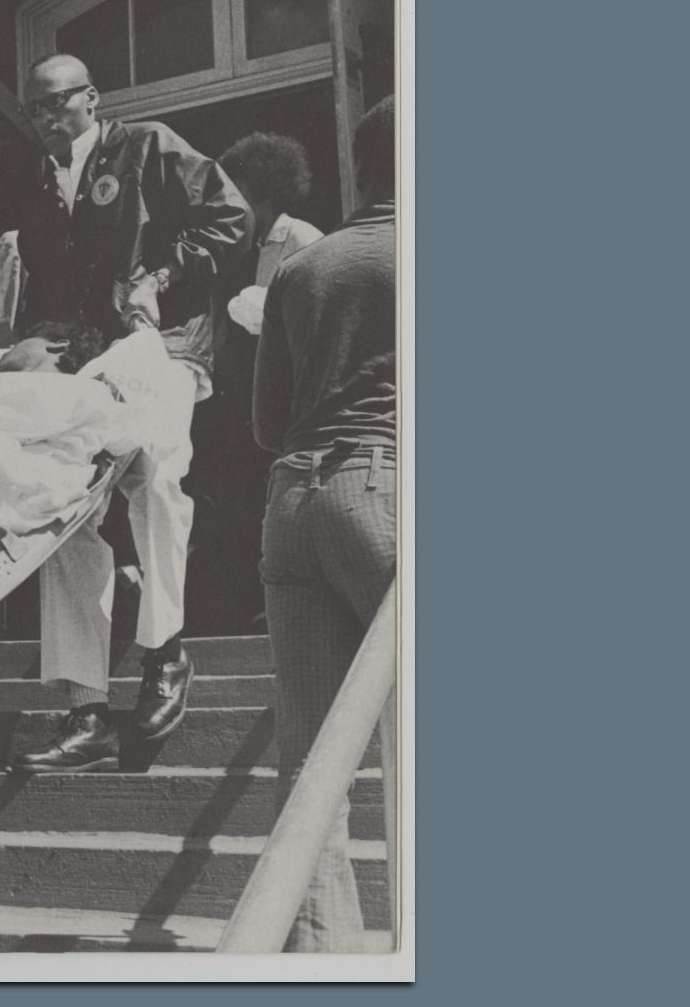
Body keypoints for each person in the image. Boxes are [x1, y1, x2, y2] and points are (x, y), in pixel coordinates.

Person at [8, 54, 251, 772]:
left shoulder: (147, 146)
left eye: (61, 103)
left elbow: (229, 216)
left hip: (163, 346)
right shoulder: (37, 187)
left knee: (155, 471)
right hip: (90, 363)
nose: (50, 119)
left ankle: (166, 655)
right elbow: (49, 285)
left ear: (93, 97)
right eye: (36, 111)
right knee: (61, 505)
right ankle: (85, 708)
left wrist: (165, 273)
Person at [253, 95, 397, 952]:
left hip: (292, 505)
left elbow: (268, 424)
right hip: (383, 488)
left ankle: (317, 962)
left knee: (310, 767)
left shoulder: (302, 270)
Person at [190, 133, 328, 634]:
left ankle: (283, 610)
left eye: (235, 191)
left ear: (266, 193)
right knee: (232, 511)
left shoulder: (304, 241)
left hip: (281, 405)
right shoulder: (230, 245)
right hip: (231, 405)